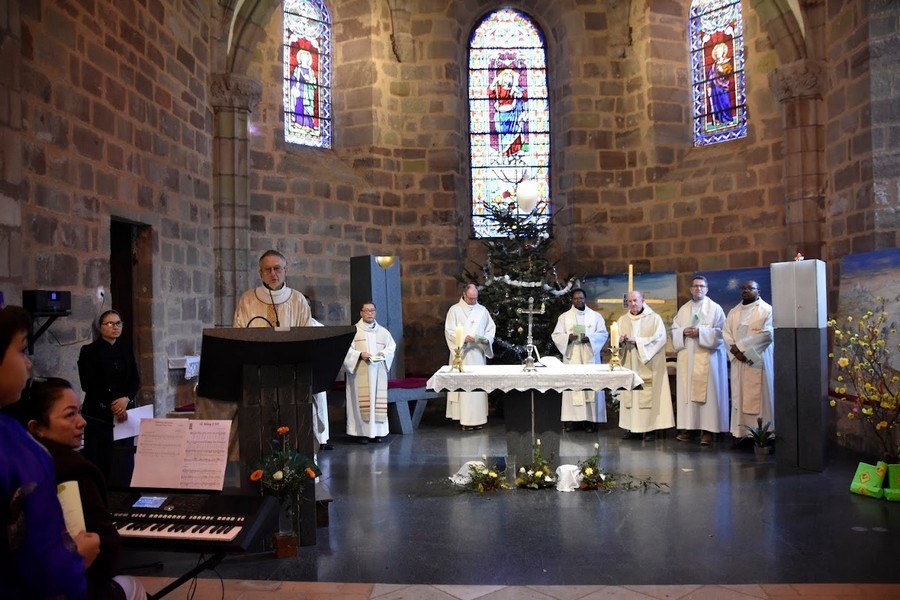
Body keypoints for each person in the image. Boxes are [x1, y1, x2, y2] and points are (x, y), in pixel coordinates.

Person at [13, 377, 146, 600]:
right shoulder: (73, 469)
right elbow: (105, 552)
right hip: (76, 588)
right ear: (36, 427)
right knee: (134, 586)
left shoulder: (17, 461)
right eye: (70, 415)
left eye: (79, 412)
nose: (82, 422)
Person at [0, 306, 100, 599]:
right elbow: (42, 557)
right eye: (21, 350)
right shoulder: (15, 447)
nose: (28, 362)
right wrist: (77, 558)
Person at [198, 249, 330, 456]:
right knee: (258, 430)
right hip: (256, 378)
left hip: (292, 378)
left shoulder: (298, 300)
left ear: (285, 270)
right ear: (260, 273)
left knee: (293, 426)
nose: (273, 273)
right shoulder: (247, 300)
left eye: (277, 268)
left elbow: (307, 338)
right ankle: (257, 465)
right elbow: (238, 337)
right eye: (267, 270)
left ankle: (296, 465)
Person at [78, 309, 139, 483]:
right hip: (100, 413)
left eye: (118, 323)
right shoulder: (89, 351)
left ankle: (125, 492)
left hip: (124, 411)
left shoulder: (125, 348)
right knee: (101, 461)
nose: (115, 327)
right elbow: (88, 384)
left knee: (123, 461)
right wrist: (113, 406)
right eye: (110, 323)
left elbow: (134, 379)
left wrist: (126, 399)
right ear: (101, 327)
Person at [671, 276, 729, 445]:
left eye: (702, 286)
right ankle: (689, 429)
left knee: (709, 395)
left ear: (707, 289)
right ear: (691, 289)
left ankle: (708, 431)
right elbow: (674, 330)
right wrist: (683, 332)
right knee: (688, 395)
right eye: (695, 286)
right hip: (688, 359)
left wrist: (701, 333)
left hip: (708, 358)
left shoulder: (715, 308)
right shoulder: (683, 310)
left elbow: (722, 333)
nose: (698, 289)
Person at [615, 291, 674, 441]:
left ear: (643, 300)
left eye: (635, 300)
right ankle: (632, 427)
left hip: (648, 365)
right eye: (630, 301)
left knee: (648, 394)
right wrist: (620, 342)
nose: (633, 304)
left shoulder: (654, 319)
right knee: (631, 395)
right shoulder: (622, 320)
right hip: (630, 364)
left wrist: (638, 341)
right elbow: (616, 342)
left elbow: (660, 339)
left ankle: (650, 428)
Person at [550, 289, 609, 432]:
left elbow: (603, 333)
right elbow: (556, 335)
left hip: (589, 356)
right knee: (573, 386)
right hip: (573, 357)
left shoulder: (595, 316)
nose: (579, 300)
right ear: (572, 300)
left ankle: (591, 421)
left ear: (585, 299)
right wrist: (568, 338)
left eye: (581, 298)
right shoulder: (564, 317)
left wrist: (590, 338)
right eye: (576, 298)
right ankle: (573, 421)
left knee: (590, 386)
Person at [723, 280, 775, 442]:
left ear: (759, 291)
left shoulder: (767, 310)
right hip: (739, 361)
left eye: (750, 288)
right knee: (740, 397)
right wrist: (736, 352)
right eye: (743, 288)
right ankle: (742, 435)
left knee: (760, 398)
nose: (746, 290)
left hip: (758, 359)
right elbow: (726, 333)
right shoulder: (734, 312)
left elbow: (767, 334)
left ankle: (763, 438)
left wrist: (741, 349)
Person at [342, 302, 396, 444]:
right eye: (366, 311)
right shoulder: (353, 331)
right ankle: (362, 433)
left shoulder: (383, 332)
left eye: (372, 310)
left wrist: (383, 353)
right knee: (360, 402)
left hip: (378, 373)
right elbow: (346, 350)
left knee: (377, 402)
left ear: (375, 312)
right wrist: (360, 354)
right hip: (359, 373)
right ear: (361, 313)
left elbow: (391, 348)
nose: (370, 313)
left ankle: (378, 432)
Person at [444, 283, 496, 430]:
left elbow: (490, 329)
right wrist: (462, 339)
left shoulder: (482, 310)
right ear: (464, 295)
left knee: (477, 386)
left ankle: (479, 419)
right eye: (471, 298)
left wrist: (485, 339)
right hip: (462, 355)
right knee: (464, 387)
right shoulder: (454, 310)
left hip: (477, 354)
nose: (473, 301)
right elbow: (449, 331)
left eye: (475, 298)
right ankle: (464, 420)